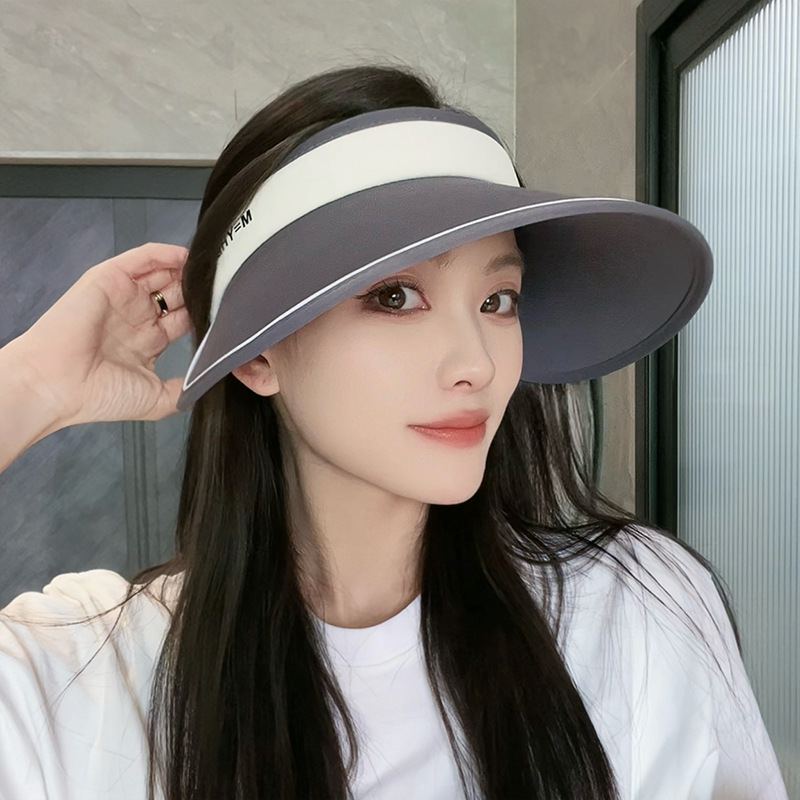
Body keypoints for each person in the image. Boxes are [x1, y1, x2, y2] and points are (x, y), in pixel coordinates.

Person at [0, 65, 788, 800]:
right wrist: (31, 385)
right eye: (395, 297)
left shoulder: (635, 608)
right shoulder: (85, 673)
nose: (476, 363)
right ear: (258, 355)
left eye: (498, 300)